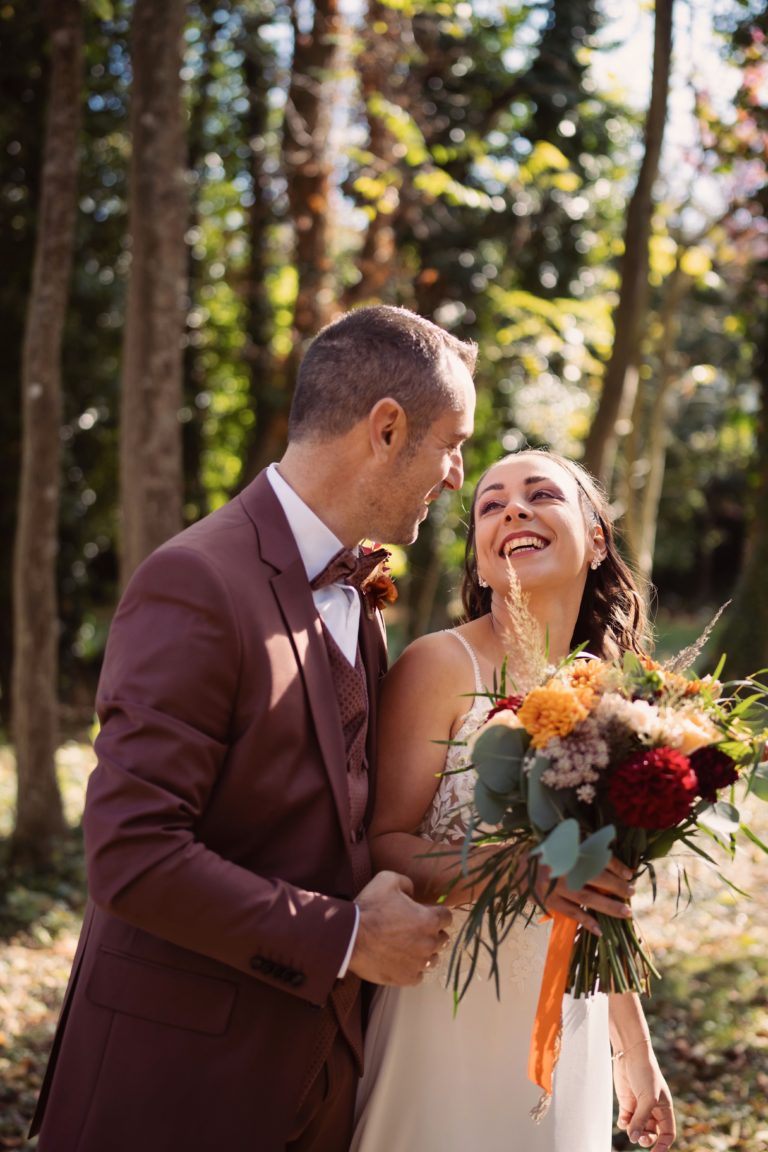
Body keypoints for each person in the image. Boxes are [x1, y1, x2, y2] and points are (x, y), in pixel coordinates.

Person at [30, 305, 479, 1152]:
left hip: (319, 1074)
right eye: (450, 442)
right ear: (386, 429)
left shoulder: (359, 596)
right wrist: (346, 936)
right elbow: (131, 853)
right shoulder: (195, 580)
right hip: (178, 1083)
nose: (456, 473)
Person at [351, 448, 676, 1152]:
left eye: (539, 494)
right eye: (490, 504)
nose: (513, 510)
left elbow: (602, 893)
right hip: (448, 1009)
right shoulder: (440, 665)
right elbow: (386, 841)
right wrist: (520, 875)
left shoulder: (622, 693)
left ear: (596, 539)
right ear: (477, 559)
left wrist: (634, 1051)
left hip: (572, 1017)